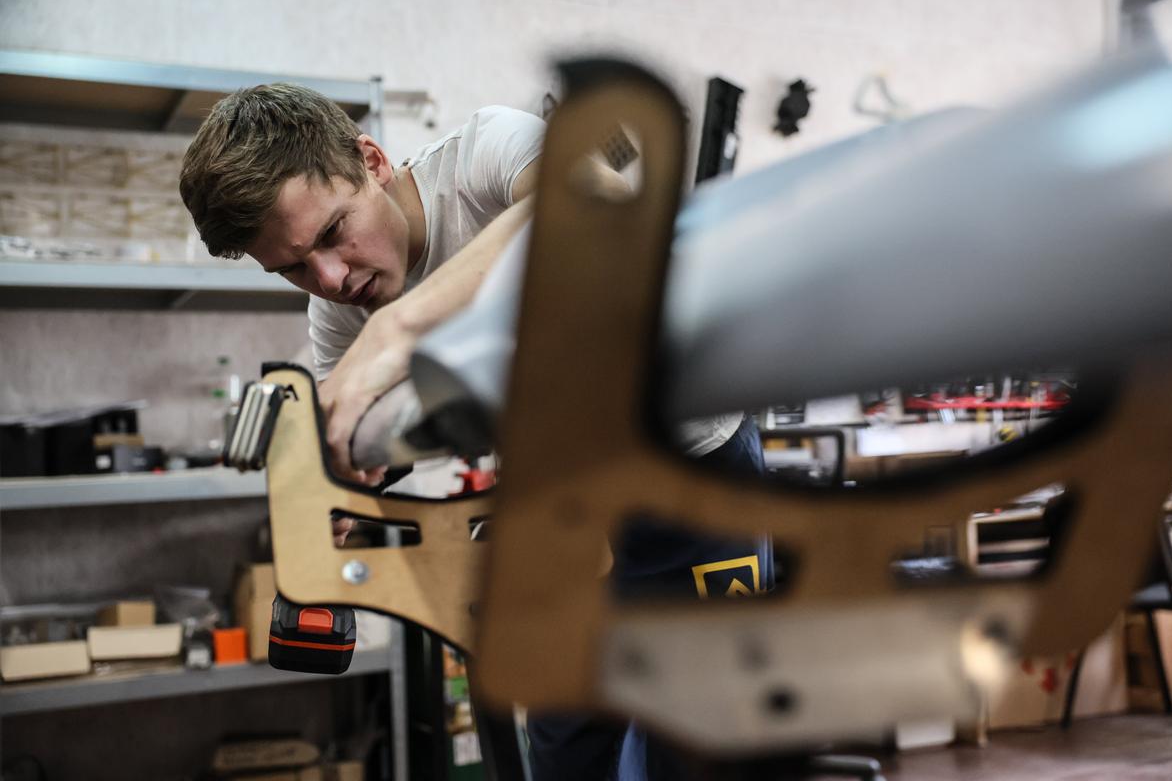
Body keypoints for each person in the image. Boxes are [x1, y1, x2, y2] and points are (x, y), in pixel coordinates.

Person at [179, 82, 770, 780]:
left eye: (333, 235)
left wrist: (397, 334)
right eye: (293, 270)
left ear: (372, 160)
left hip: (689, 474)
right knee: (565, 743)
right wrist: (333, 485)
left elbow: (593, 209)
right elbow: (372, 441)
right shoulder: (339, 311)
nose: (331, 278)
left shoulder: (484, 154)